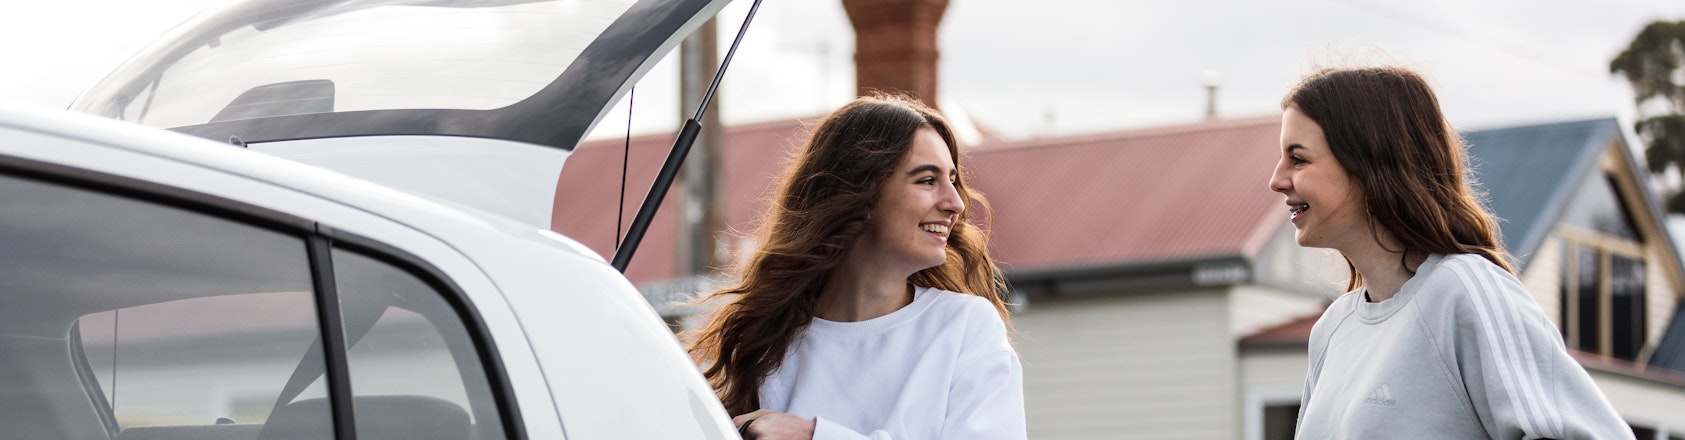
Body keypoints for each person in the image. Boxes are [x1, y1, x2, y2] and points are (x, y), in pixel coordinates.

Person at [1270, 65, 1633, 439]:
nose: (1276, 180)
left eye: (1298, 159)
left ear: (1370, 162)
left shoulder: (1464, 290)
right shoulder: (1332, 330)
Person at [685, 94, 1026, 440]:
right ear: (860, 192)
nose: (955, 203)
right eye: (927, 180)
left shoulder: (965, 327)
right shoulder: (762, 346)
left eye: (953, 180)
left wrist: (812, 435)